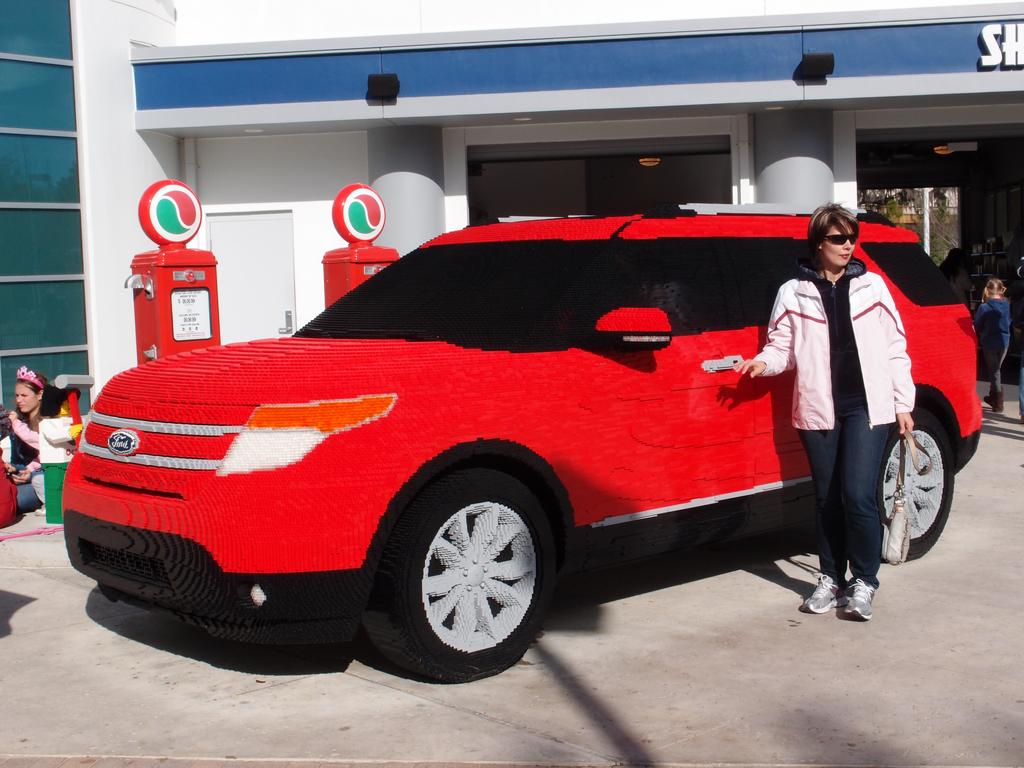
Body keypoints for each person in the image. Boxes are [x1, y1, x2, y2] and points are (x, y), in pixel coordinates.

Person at [733, 203, 915, 621]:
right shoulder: (792, 291)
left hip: (867, 406)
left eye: (852, 237)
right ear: (818, 243)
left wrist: (903, 403)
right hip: (818, 408)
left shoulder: (874, 287)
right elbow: (782, 348)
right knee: (827, 499)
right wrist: (761, 363)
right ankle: (831, 577)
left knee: (857, 495)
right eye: (838, 238)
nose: (848, 244)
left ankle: (865, 580)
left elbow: (895, 348)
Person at [4, 366, 47, 514]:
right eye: (17, 395)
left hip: (47, 482)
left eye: (24, 395)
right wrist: (13, 469)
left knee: (12, 501)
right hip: (31, 477)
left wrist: (31, 474)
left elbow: (46, 452)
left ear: (39, 394)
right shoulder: (18, 424)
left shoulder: (50, 422)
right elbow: (21, 462)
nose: (19, 400)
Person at [973, 278, 1011, 413]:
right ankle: (993, 397)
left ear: (987, 290)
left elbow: (977, 325)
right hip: (1004, 341)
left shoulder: (984, 307)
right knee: (997, 371)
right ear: (1001, 290)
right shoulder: (1006, 304)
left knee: (994, 372)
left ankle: (998, 403)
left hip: (989, 342)